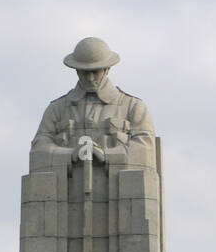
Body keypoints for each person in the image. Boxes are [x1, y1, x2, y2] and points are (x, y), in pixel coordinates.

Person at [30, 37, 156, 169]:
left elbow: (146, 149)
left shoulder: (133, 107)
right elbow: (38, 149)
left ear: (107, 69)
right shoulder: (56, 109)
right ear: (77, 70)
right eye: (85, 72)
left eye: (95, 72)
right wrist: (70, 155)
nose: (90, 78)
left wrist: (107, 155)